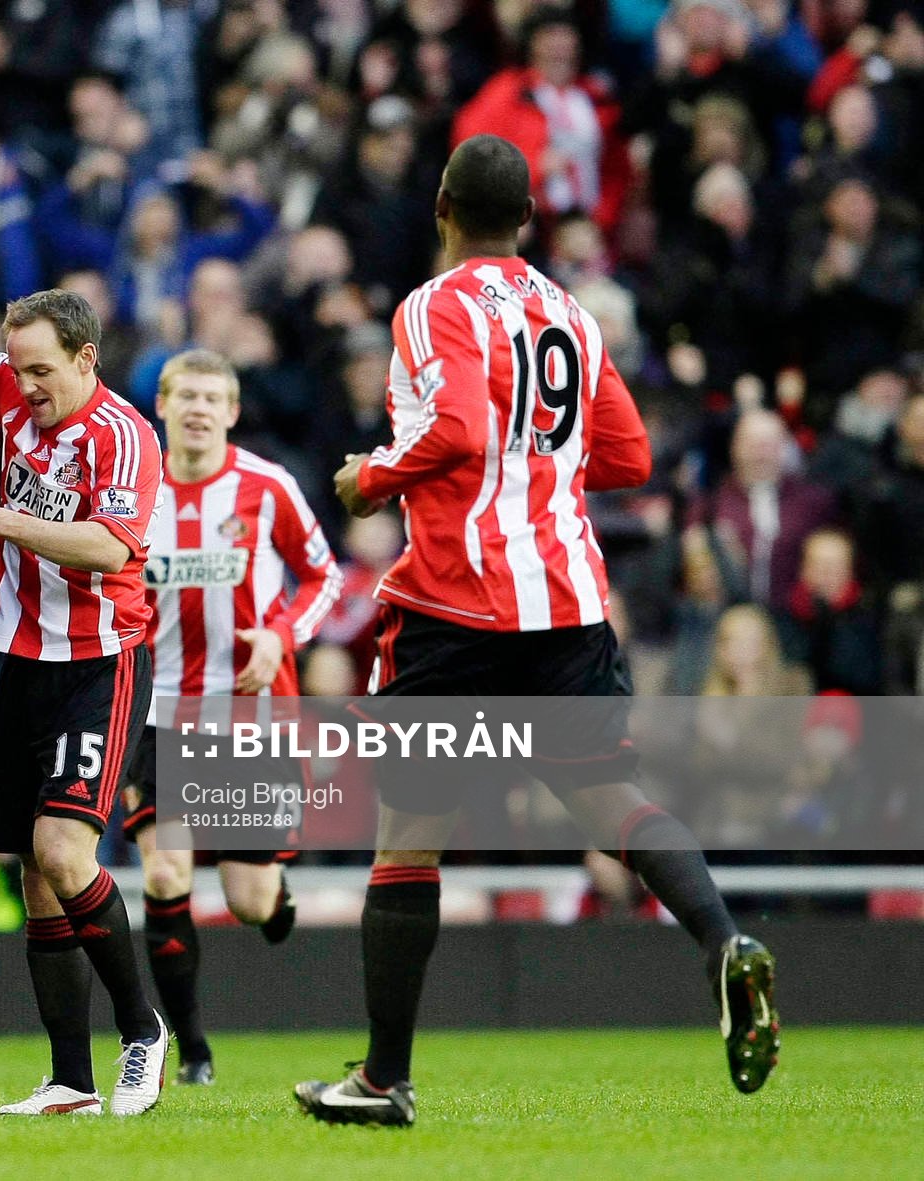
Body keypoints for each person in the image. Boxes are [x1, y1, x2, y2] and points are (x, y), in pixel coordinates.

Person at [300, 136, 779, 1128]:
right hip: (565, 603)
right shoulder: (567, 310)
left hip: (454, 607)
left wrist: (370, 476)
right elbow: (630, 453)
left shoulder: (434, 305)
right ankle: (724, 939)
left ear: (441, 206)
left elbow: (461, 430)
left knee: (409, 837)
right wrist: (542, 478)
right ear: (528, 218)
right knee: (611, 801)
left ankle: (385, 1078)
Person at [0, 289, 170, 1117]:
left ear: (86, 357)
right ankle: (70, 1078)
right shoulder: (10, 389)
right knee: (34, 872)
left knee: (66, 852)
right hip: (23, 659)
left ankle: (144, 1032)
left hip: (102, 661)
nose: (25, 387)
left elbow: (110, 545)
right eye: (17, 369)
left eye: (42, 371)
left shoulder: (123, 435)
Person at [120, 349, 340, 1085]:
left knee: (248, 900)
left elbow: (323, 575)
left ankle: (275, 898)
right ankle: (192, 1049)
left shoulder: (267, 487)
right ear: (163, 405)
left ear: (233, 411)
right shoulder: (137, 490)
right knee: (165, 872)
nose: (199, 409)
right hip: (158, 711)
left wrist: (282, 633)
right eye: (186, 395)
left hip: (250, 715)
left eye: (214, 398)